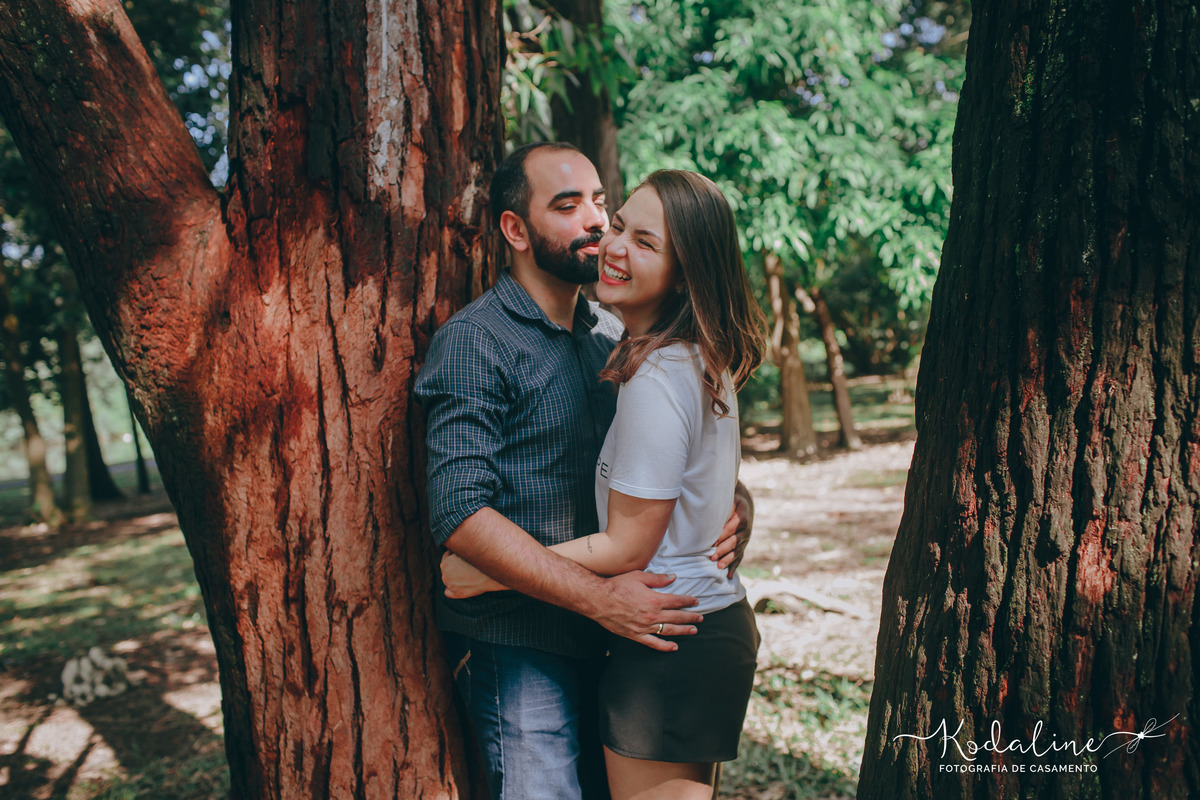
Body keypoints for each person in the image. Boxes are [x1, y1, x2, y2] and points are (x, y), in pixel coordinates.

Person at [414, 143, 751, 800]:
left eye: (601, 203)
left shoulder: (614, 333)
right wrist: (599, 599)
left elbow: (663, 460)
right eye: (568, 206)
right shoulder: (476, 341)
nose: (596, 221)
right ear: (516, 230)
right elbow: (459, 511)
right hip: (524, 646)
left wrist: (730, 502)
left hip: (622, 634)